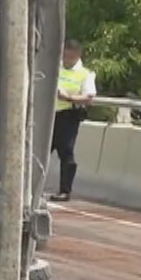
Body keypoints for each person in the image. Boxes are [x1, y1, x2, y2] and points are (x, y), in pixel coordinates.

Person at [52, 40, 97, 203]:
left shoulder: (85, 74)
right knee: (38, 150)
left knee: (66, 152)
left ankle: (65, 190)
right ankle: (29, 187)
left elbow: (89, 98)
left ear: (78, 55)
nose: (67, 59)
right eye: (64, 55)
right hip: (50, 114)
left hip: (68, 115)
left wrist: (68, 97)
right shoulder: (55, 67)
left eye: (70, 56)